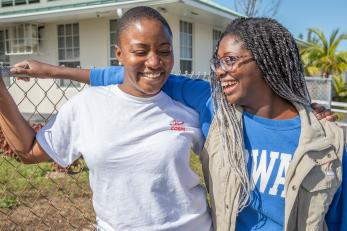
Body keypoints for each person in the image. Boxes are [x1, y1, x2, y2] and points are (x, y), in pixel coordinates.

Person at [11, 19, 344, 231]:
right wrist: (53, 71)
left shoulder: (324, 143)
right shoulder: (213, 104)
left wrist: (310, 114)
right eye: (218, 62)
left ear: (268, 62)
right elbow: (130, 73)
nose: (220, 71)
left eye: (230, 61)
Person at [0, 7, 212, 231]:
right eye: (140, 52)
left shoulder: (189, 104)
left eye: (164, 51)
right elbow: (29, 151)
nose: (154, 62)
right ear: (119, 54)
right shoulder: (87, 105)